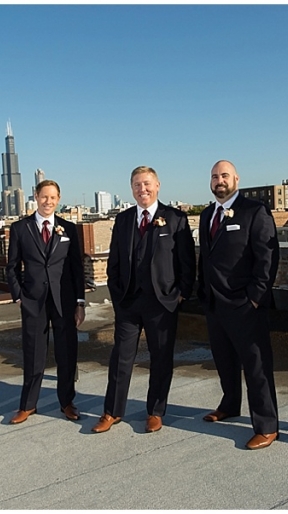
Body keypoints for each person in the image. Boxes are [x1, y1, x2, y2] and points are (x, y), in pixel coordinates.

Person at [92, 166, 195, 434]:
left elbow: (187, 262)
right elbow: (114, 261)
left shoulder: (175, 218)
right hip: (128, 302)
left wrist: (180, 294)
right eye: (137, 185)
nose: (143, 189)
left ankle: (155, 412)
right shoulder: (123, 220)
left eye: (147, 184)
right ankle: (112, 411)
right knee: (120, 358)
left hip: (162, 303)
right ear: (132, 189)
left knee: (161, 359)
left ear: (158, 185)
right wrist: (116, 294)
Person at [197, 160, 280, 450]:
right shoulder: (207, 214)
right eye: (214, 176)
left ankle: (267, 426)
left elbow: (267, 257)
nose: (219, 180)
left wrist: (255, 297)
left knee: (256, 367)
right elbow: (206, 258)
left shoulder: (255, 211)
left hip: (245, 304)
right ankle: (230, 404)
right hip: (215, 303)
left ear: (236, 179)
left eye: (224, 175)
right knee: (224, 360)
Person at [5, 180, 86, 424]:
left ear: (58, 199)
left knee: (66, 354)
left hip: (65, 301)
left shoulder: (68, 228)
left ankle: (67, 402)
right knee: (33, 354)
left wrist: (80, 302)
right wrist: (19, 296)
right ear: (36, 197)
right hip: (33, 301)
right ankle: (28, 405)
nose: (48, 201)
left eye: (52, 197)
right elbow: (12, 267)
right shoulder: (21, 228)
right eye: (44, 197)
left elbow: (76, 268)